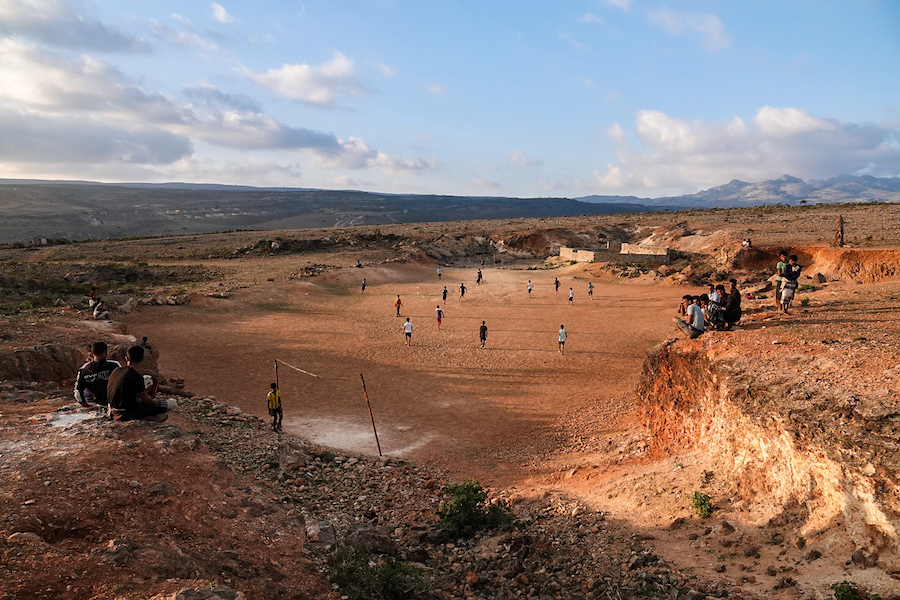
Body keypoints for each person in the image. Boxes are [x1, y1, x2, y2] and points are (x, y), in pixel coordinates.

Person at [107, 345, 170, 422]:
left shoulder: (116, 370)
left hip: (111, 411)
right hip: (126, 414)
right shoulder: (136, 376)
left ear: (127, 358)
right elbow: (146, 400)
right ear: (142, 359)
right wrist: (155, 404)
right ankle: (147, 417)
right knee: (171, 403)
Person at [74, 341, 121, 406]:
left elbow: (78, 391)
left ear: (92, 354)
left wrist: (83, 403)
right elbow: (123, 383)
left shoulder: (84, 369)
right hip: (113, 404)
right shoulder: (114, 365)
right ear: (105, 353)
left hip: (94, 404)